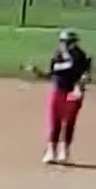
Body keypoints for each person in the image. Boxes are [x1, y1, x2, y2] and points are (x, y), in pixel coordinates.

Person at [31, 29, 92, 164]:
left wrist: (79, 87)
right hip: (57, 90)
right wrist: (40, 74)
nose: (64, 44)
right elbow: (52, 74)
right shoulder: (57, 55)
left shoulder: (82, 57)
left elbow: (86, 75)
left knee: (69, 121)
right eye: (62, 41)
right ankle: (51, 150)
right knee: (54, 121)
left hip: (73, 92)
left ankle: (64, 150)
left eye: (67, 42)